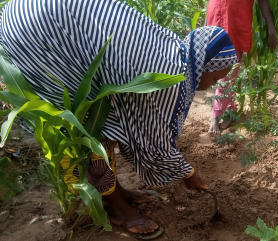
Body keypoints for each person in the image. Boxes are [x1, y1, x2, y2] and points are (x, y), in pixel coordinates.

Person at [0, 0, 237, 239]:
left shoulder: (177, 51)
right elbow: (153, 141)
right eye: (216, 78)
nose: (213, 85)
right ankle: (113, 205)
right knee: (90, 126)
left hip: (47, 15)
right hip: (38, 33)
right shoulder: (168, 75)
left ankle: (116, 190)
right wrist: (188, 173)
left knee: (107, 111)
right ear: (205, 65)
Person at [206, 0, 278, 133]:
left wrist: (271, 29)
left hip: (235, 24)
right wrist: (205, 27)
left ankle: (216, 115)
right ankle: (230, 110)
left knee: (226, 75)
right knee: (221, 73)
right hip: (216, 18)